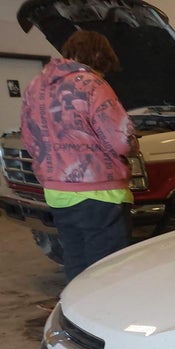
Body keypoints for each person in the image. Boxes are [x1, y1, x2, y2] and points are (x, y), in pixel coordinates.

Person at [20, 30, 136, 283]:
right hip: (99, 192)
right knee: (109, 270)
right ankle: (105, 318)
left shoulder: (36, 85)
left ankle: (74, 318)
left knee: (76, 262)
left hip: (56, 191)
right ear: (99, 56)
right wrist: (134, 143)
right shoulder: (92, 84)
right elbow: (121, 141)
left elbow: (29, 138)